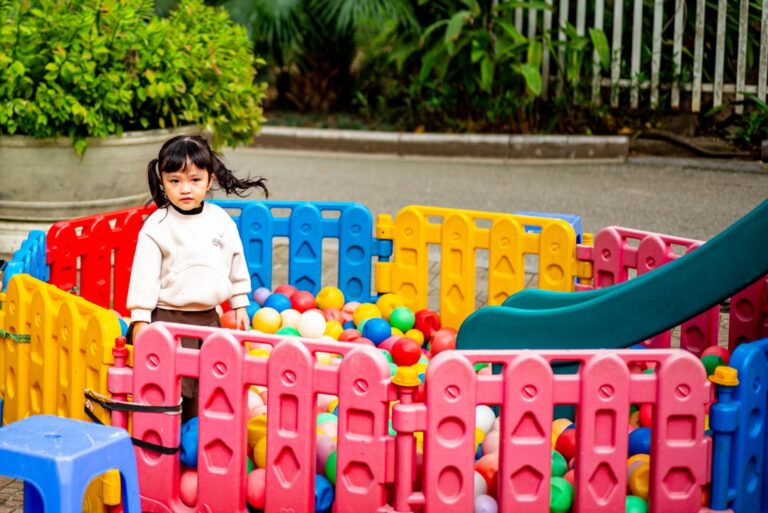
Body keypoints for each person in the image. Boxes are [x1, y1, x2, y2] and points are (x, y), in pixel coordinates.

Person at [126, 134, 267, 420]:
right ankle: (165, 442)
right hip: (167, 320)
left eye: (194, 180)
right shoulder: (158, 225)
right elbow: (144, 275)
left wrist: (239, 303)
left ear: (210, 180)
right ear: (163, 182)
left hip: (208, 320)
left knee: (206, 387)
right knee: (168, 390)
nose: (185, 189)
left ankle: (196, 436)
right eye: (175, 181)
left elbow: (235, 261)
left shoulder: (219, 220)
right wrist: (140, 319)